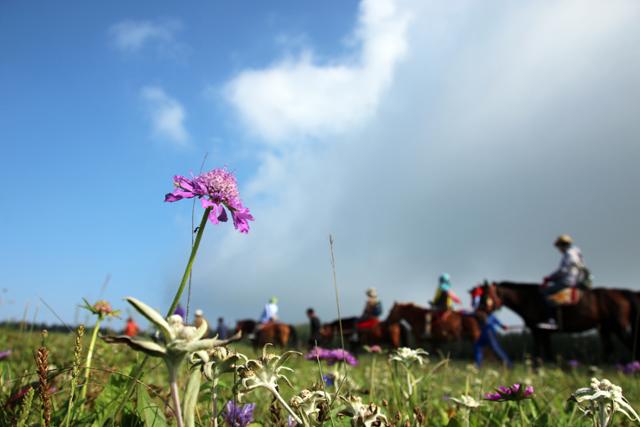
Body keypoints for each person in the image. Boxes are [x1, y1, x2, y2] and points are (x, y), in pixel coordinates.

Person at [538, 235, 589, 329]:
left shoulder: (568, 254)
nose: (558, 249)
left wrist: (549, 278)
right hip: (579, 279)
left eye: (558, 246)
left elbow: (563, 271)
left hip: (568, 281)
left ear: (562, 245)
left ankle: (551, 321)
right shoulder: (576, 251)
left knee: (544, 291)